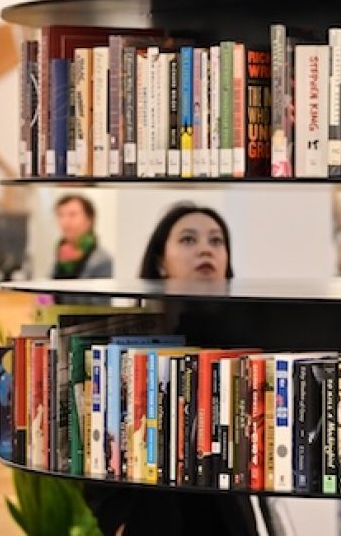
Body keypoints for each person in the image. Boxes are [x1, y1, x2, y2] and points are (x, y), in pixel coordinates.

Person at [84, 203, 256, 536]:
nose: (206, 248)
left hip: (226, 517)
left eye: (216, 241)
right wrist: (116, 520)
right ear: (161, 261)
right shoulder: (130, 344)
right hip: (151, 517)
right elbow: (98, 446)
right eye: (188, 240)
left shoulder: (246, 344)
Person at [52, 194, 112, 279]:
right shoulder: (61, 253)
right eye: (60, 215)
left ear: (90, 219)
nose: (65, 222)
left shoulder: (102, 261)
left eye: (72, 215)